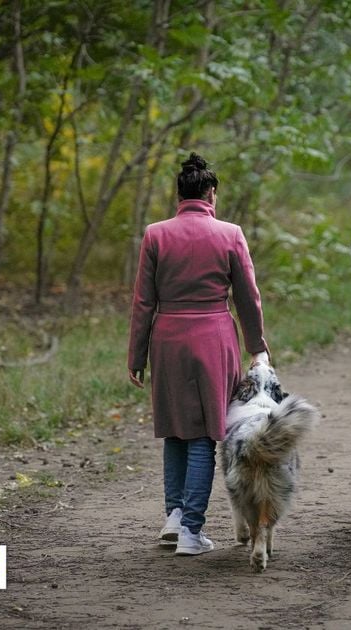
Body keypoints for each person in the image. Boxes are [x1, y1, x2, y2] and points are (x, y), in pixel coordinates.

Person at [128, 152, 270, 556]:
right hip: (213, 338)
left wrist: (136, 355)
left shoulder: (155, 234)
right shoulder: (230, 233)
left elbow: (143, 302)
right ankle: (191, 530)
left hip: (167, 339)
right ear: (211, 193)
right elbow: (248, 298)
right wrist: (257, 346)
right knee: (205, 435)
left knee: (174, 430)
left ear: (179, 195)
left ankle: (173, 516)